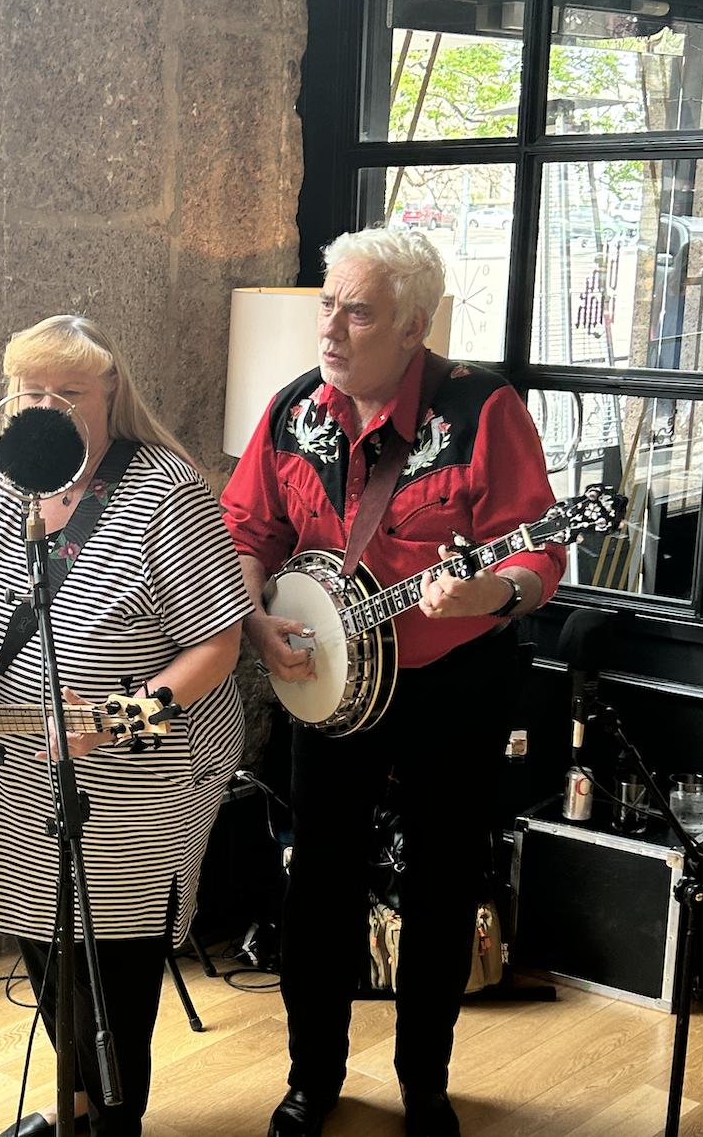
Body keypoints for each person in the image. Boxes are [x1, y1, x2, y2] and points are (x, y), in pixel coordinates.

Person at [221, 228, 566, 1137]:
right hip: (330, 685)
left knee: (444, 880)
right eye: (327, 303)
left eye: (357, 310)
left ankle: (425, 1082)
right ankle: (313, 1077)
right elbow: (248, 530)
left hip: (454, 678)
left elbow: (538, 543)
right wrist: (255, 620)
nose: (330, 326)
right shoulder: (294, 408)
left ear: (412, 327)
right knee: (319, 883)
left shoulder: (483, 409)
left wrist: (487, 590)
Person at [0, 315, 252, 1137]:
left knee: (112, 960)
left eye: (68, 392)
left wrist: (124, 717)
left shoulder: (168, 492)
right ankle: (76, 1104)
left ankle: (112, 1119)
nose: (44, 405)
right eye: (29, 390)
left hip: (136, 776)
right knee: (41, 935)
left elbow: (218, 644)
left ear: (111, 396)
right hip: (5, 761)